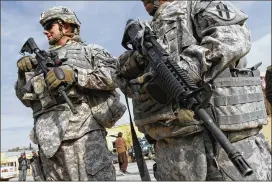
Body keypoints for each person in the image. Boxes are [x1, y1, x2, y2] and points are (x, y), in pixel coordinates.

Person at [115, 0, 271, 181]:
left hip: (228, 146)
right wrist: (137, 62)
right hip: (173, 158)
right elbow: (122, 79)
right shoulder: (145, 31)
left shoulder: (200, 6)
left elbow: (233, 39)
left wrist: (180, 72)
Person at [15, 6, 126, 181]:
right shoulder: (39, 61)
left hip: (82, 136)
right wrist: (22, 75)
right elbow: (26, 99)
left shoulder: (89, 51)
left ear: (66, 26)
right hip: (48, 144)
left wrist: (75, 76)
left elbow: (115, 76)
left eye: (50, 25)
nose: (45, 32)